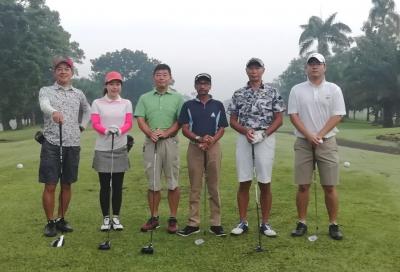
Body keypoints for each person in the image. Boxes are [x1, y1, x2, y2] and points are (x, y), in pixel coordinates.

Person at [288, 53, 346, 240]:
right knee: (303, 185)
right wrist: (309, 135)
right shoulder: (297, 90)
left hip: (326, 142)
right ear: (306, 68)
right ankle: (302, 222)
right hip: (304, 142)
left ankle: (333, 224)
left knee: (329, 185)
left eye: (318, 64)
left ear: (324, 67)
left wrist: (319, 135)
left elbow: (337, 115)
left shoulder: (334, 89)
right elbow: (294, 115)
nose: (314, 67)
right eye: (311, 64)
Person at [228, 58, 285, 237]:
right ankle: (243, 221)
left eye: (257, 68)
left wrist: (265, 134)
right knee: (244, 181)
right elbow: (232, 120)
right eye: (251, 68)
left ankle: (265, 223)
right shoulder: (238, 93)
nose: (254, 71)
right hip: (245, 137)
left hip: (265, 138)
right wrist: (246, 131)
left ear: (263, 70)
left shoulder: (272, 92)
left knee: (264, 181)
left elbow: (279, 119)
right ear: (246, 71)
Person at [38, 56, 90, 237]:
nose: (63, 71)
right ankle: (50, 222)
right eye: (59, 69)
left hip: (72, 144)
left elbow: (87, 110)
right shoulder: (46, 90)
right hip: (52, 143)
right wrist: (54, 112)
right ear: (54, 72)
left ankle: (61, 218)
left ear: (72, 72)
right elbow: (44, 105)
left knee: (67, 184)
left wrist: (82, 125)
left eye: (66, 69)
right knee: (50, 185)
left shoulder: (78, 93)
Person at [134, 64, 184, 234]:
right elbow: (140, 119)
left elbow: (180, 121)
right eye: (158, 75)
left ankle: (172, 218)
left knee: (172, 182)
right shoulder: (144, 97)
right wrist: (150, 133)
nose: (161, 77)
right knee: (153, 183)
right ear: (153, 78)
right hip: (151, 142)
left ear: (170, 78)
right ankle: (154, 217)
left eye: (165, 75)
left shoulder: (178, 98)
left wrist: (167, 132)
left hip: (170, 142)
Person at [177, 73, 228, 237]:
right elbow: (185, 128)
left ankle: (216, 223)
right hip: (195, 147)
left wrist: (211, 140)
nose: (202, 86)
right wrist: (199, 138)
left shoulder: (218, 105)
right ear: (195, 86)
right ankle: (193, 223)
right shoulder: (188, 105)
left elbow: (222, 128)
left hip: (213, 147)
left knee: (213, 185)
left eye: (205, 84)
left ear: (210, 86)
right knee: (195, 187)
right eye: (199, 84)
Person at [91, 71, 133, 231]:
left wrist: (120, 131)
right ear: (106, 86)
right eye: (111, 84)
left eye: (117, 84)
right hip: (102, 148)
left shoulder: (126, 103)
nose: (115, 87)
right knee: (104, 186)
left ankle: (116, 217)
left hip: (120, 147)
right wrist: (106, 130)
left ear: (120, 86)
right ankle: (105, 219)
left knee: (117, 185)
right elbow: (95, 123)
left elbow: (129, 123)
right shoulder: (97, 103)